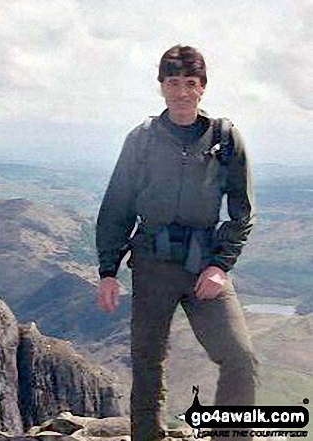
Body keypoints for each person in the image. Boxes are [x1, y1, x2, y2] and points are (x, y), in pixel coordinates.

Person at [95, 45, 259, 441]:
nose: (181, 92)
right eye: (173, 82)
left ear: (202, 87)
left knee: (240, 359)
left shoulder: (224, 137)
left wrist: (221, 265)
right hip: (153, 264)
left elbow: (242, 211)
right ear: (161, 87)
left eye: (190, 83)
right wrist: (107, 270)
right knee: (148, 363)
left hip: (205, 266)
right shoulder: (143, 139)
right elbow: (118, 205)